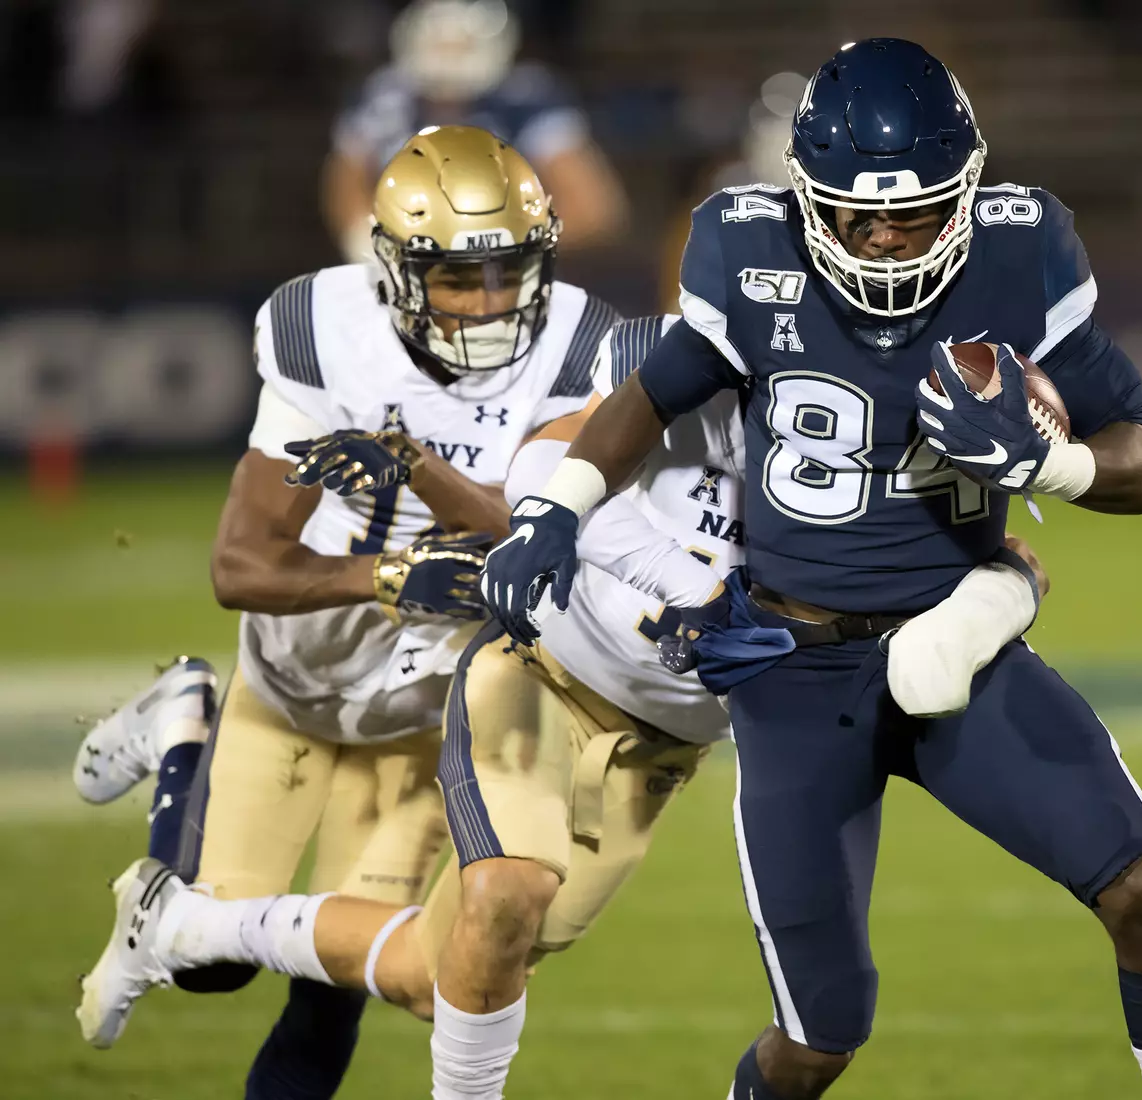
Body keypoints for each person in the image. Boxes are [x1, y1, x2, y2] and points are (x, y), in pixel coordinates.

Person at [479, 37, 1142, 1100]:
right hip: (795, 672)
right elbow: (648, 396)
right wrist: (558, 507)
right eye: (851, 212)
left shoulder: (1022, 257)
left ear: (963, 194)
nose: (879, 237)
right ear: (803, 194)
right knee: (821, 1035)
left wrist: (1049, 462)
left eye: (910, 212)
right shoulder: (748, 250)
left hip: (954, 646)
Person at [78, 314, 1048, 1100]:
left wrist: (988, 597)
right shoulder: (687, 374)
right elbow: (548, 466)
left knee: (443, 968)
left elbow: (1004, 558)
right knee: (509, 890)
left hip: (664, 745)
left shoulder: (858, 454)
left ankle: (181, 925)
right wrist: (681, 593)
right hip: (543, 677)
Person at [75, 123, 621, 1100]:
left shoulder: (582, 344)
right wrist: (384, 576)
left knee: (338, 979)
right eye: (458, 276)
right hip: (294, 676)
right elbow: (241, 563)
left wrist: (417, 469)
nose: (490, 303)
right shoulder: (330, 333)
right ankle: (185, 727)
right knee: (212, 959)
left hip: (420, 706)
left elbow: (533, 530)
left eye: (509, 271)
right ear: (397, 269)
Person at [322, 0, 627, 262]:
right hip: (401, 272)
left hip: (504, 278)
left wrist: (501, 243)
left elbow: (594, 210)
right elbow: (346, 176)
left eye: (460, 41)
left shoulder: (527, 98)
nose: (448, 49)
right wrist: (364, 237)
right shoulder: (385, 95)